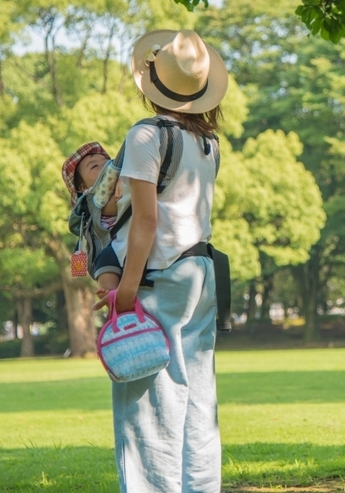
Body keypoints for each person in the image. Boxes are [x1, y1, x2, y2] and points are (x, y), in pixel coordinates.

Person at [93, 28, 228, 493]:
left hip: (159, 276)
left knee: (147, 406)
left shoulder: (146, 135)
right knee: (196, 400)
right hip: (202, 273)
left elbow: (146, 222)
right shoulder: (208, 143)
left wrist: (124, 290)